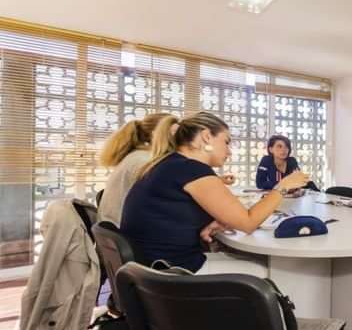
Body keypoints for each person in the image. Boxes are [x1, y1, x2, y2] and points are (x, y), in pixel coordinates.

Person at [120, 112, 309, 276]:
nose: (229, 152)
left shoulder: (170, 164)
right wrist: (282, 187)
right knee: (274, 271)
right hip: (172, 272)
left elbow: (172, 212)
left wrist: (214, 221)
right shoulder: (192, 170)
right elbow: (249, 222)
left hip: (150, 269)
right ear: (206, 137)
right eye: (226, 142)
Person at [97, 113, 171, 226]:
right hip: (129, 232)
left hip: (118, 231)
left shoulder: (137, 156)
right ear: (157, 135)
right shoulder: (146, 161)